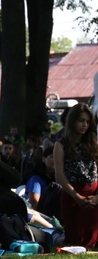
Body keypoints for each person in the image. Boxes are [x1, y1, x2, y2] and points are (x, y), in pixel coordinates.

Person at [53, 102, 98, 248]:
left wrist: (97, 198)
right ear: (72, 121)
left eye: (87, 121)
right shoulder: (61, 145)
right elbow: (59, 175)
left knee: (92, 238)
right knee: (75, 241)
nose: (84, 125)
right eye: (81, 121)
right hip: (72, 195)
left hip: (94, 195)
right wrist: (77, 197)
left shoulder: (93, 143)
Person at [26, 146, 61, 219]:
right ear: (43, 159)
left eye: (57, 157)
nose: (54, 160)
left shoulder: (61, 177)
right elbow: (34, 201)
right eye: (51, 157)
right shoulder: (36, 178)